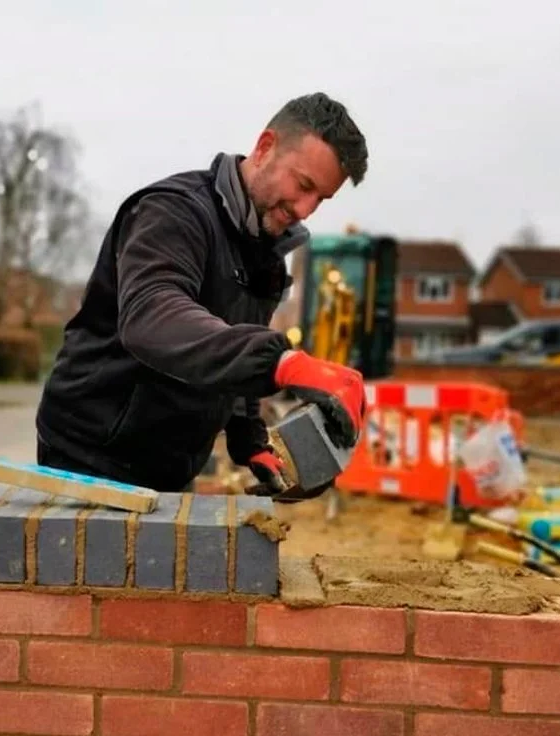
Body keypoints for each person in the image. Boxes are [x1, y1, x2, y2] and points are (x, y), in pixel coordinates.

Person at [36, 92, 369, 495]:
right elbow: (153, 318)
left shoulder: (265, 255)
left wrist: (251, 442)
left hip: (172, 464)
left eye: (321, 199)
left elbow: (231, 358)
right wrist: (283, 363)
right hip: (90, 455)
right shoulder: (173, 214)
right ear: (265, 148)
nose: (305, 209)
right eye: (303, 185)